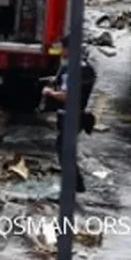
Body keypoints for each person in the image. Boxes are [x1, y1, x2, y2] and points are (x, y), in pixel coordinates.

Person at [41, 33, 96, 193]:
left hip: (68, 115)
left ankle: (71, 186)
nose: (62, 52)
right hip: (79, 113)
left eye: (64, 48)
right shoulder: (86, 67)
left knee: (64, 152)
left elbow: (66, 95)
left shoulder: (69, 69)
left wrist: (49, 92)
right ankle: (77, 184)